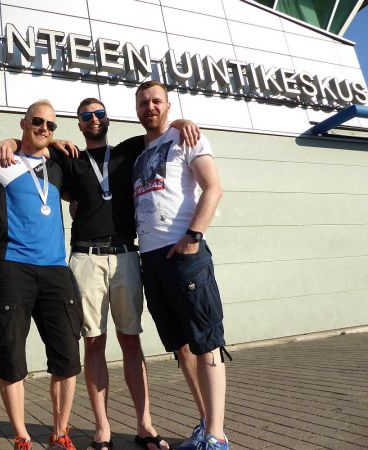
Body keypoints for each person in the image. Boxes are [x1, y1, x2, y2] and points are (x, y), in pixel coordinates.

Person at [0, 99, 199, 450]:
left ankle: (145, 425)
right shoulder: (67, 156)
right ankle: (102, 428)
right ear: (78, 123)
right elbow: (31, 143)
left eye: (99, 114)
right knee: (94, 342)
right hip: (85, 257)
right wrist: (9, 141)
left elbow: (159, 129)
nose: (94, 119)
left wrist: (182, 121)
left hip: (125, 256)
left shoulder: (128, 151)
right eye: (86, 116)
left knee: (131, 341)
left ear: (107, 119)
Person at [131, 80, 230, 450]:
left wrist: (193, 236)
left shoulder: (187, 138)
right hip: (151, 260)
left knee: (207, 343)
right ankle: (206, 424)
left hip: (185, 254)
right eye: (144, 102)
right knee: (182, 347)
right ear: (137, 109)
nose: (150, 107)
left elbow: (213, 187)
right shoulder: (139, 154)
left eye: (157, 101)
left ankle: (217, 436)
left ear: (168, 105)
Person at [0, 100, 82, 450]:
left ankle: (60, 434)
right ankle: (21, 437)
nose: (44, 128)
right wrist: (8, 142)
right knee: (11, 357)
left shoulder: (58, 166)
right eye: (37, 122)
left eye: (51, 125)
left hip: (56, 269)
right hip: (13, 268)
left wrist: (54, 142)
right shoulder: (0, 160)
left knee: (68, 359)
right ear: (23, 123)